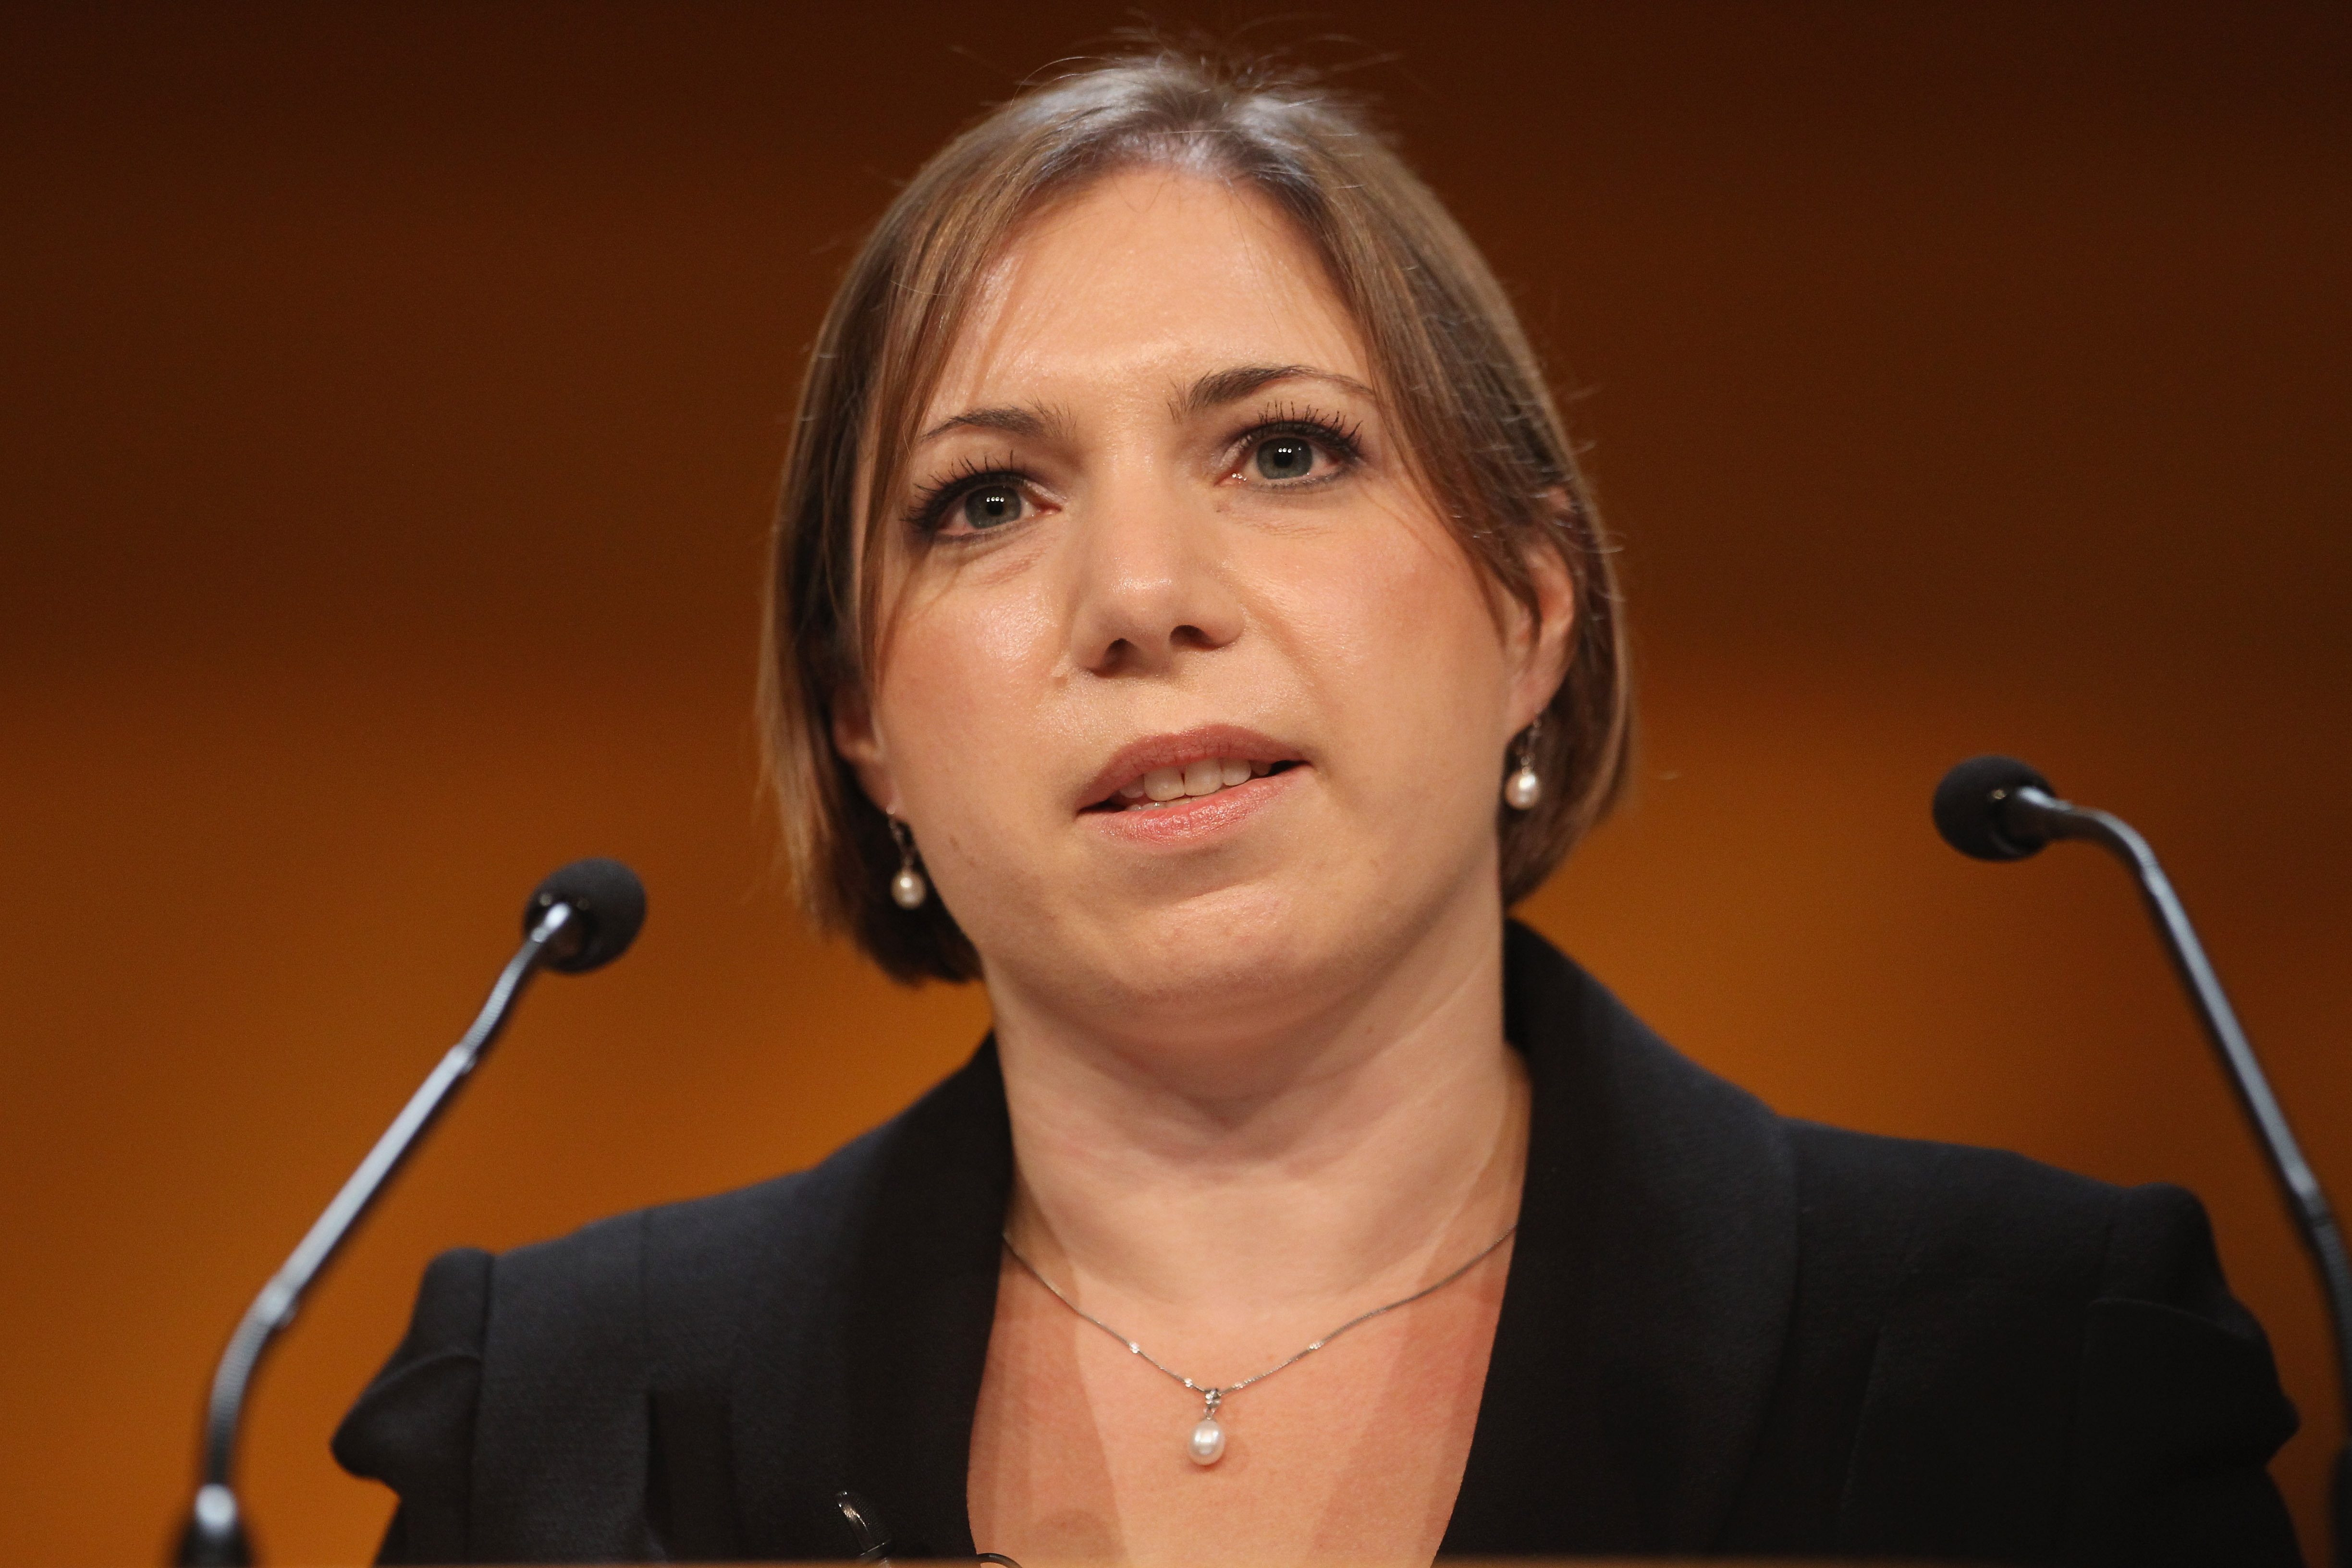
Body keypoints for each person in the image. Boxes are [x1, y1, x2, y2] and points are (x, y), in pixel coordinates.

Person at [333, 54, 2303, 1567]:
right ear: (868, 731)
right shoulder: (563, 1429)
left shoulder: (2031, 1366)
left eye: (1285, 453)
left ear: (1530, 612)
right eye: (986, 501)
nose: (1139, 596)